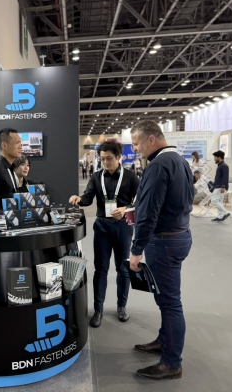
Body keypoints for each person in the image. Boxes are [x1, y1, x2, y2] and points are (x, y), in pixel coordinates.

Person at [129, 120, 194, 381]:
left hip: (164, 242)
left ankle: (171, 363)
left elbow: (149, 211)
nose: (135, 149)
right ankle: (164, 340)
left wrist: (137, 249)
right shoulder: (179, 160)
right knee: (166, 299)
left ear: (151, 139)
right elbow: (182, 200)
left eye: (136, 143)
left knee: (169, 303)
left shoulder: (158, 165)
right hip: (180, 235)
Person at [69, 141, 139, 328]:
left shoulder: (131, 177)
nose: (106, 162)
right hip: (102, 227)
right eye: (102, 159)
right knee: (101, 269)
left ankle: (122, 306)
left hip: (123, 227)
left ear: (119, 157)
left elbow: (141, 201)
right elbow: (87, 198)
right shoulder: (96, 176)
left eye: (109, 159)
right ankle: (98, 309)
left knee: (123, 269)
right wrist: (79, 199)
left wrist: (126, 209)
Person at [210, 150, 230, 222]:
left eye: (215, 157)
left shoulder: (224, 166)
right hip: (218, 186)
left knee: (214, 201)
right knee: (219, 202)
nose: (214, 159)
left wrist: (223, 187)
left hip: (220, 187)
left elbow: (225, 177)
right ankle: (220, 216)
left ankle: (226, 213)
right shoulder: (220, 166)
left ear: (219, 157)